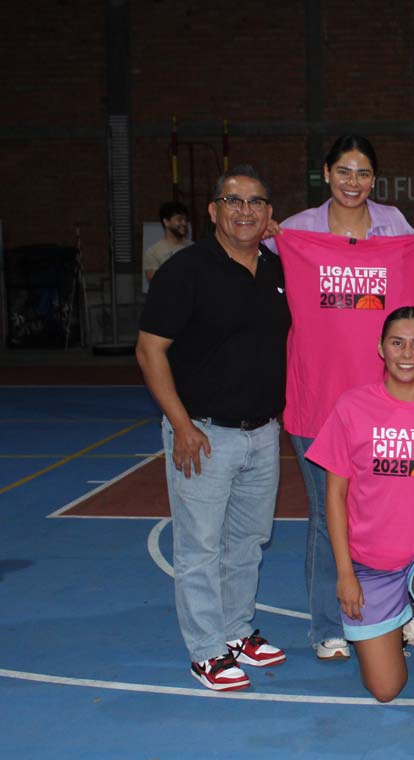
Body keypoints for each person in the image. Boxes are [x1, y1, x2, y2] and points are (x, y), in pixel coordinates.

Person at [270, 135, 414, 661]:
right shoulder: (297, 233)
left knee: (397, 506)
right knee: (330, 515)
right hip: (317, 401)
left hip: (384, 404)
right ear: (327, 173)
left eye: (363, 173)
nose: (353, 182)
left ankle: (405, 610)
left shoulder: (395, 227)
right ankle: (329, 623)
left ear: (375, 179)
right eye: (344, 171)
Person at [136, 164, 290, 692]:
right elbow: (149, 348)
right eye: (233, 201)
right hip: (202, 431)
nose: (244, 211)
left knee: (249, 540)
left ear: (269, 214)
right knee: (200, 546)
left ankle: (235, 629)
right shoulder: (187, 269)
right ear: (213, 210)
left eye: (255, 202)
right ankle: (205, 649)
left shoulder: (276, 267)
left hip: (263, 432)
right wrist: (181, 426)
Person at [305, 307, 414, 736]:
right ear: (380, 348)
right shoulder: (352, 406)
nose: (407, 353)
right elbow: (335, 496)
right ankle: (405, 618)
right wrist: (344, 574)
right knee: (386, 688)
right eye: (397, 342)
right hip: (371, 563)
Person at [143, 201, 191, 288]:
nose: (184, 223)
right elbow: (155, 282)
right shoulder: (154, 252)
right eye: (179, 219)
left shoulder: (193, 247)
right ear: (166, 222)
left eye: (185, 220)